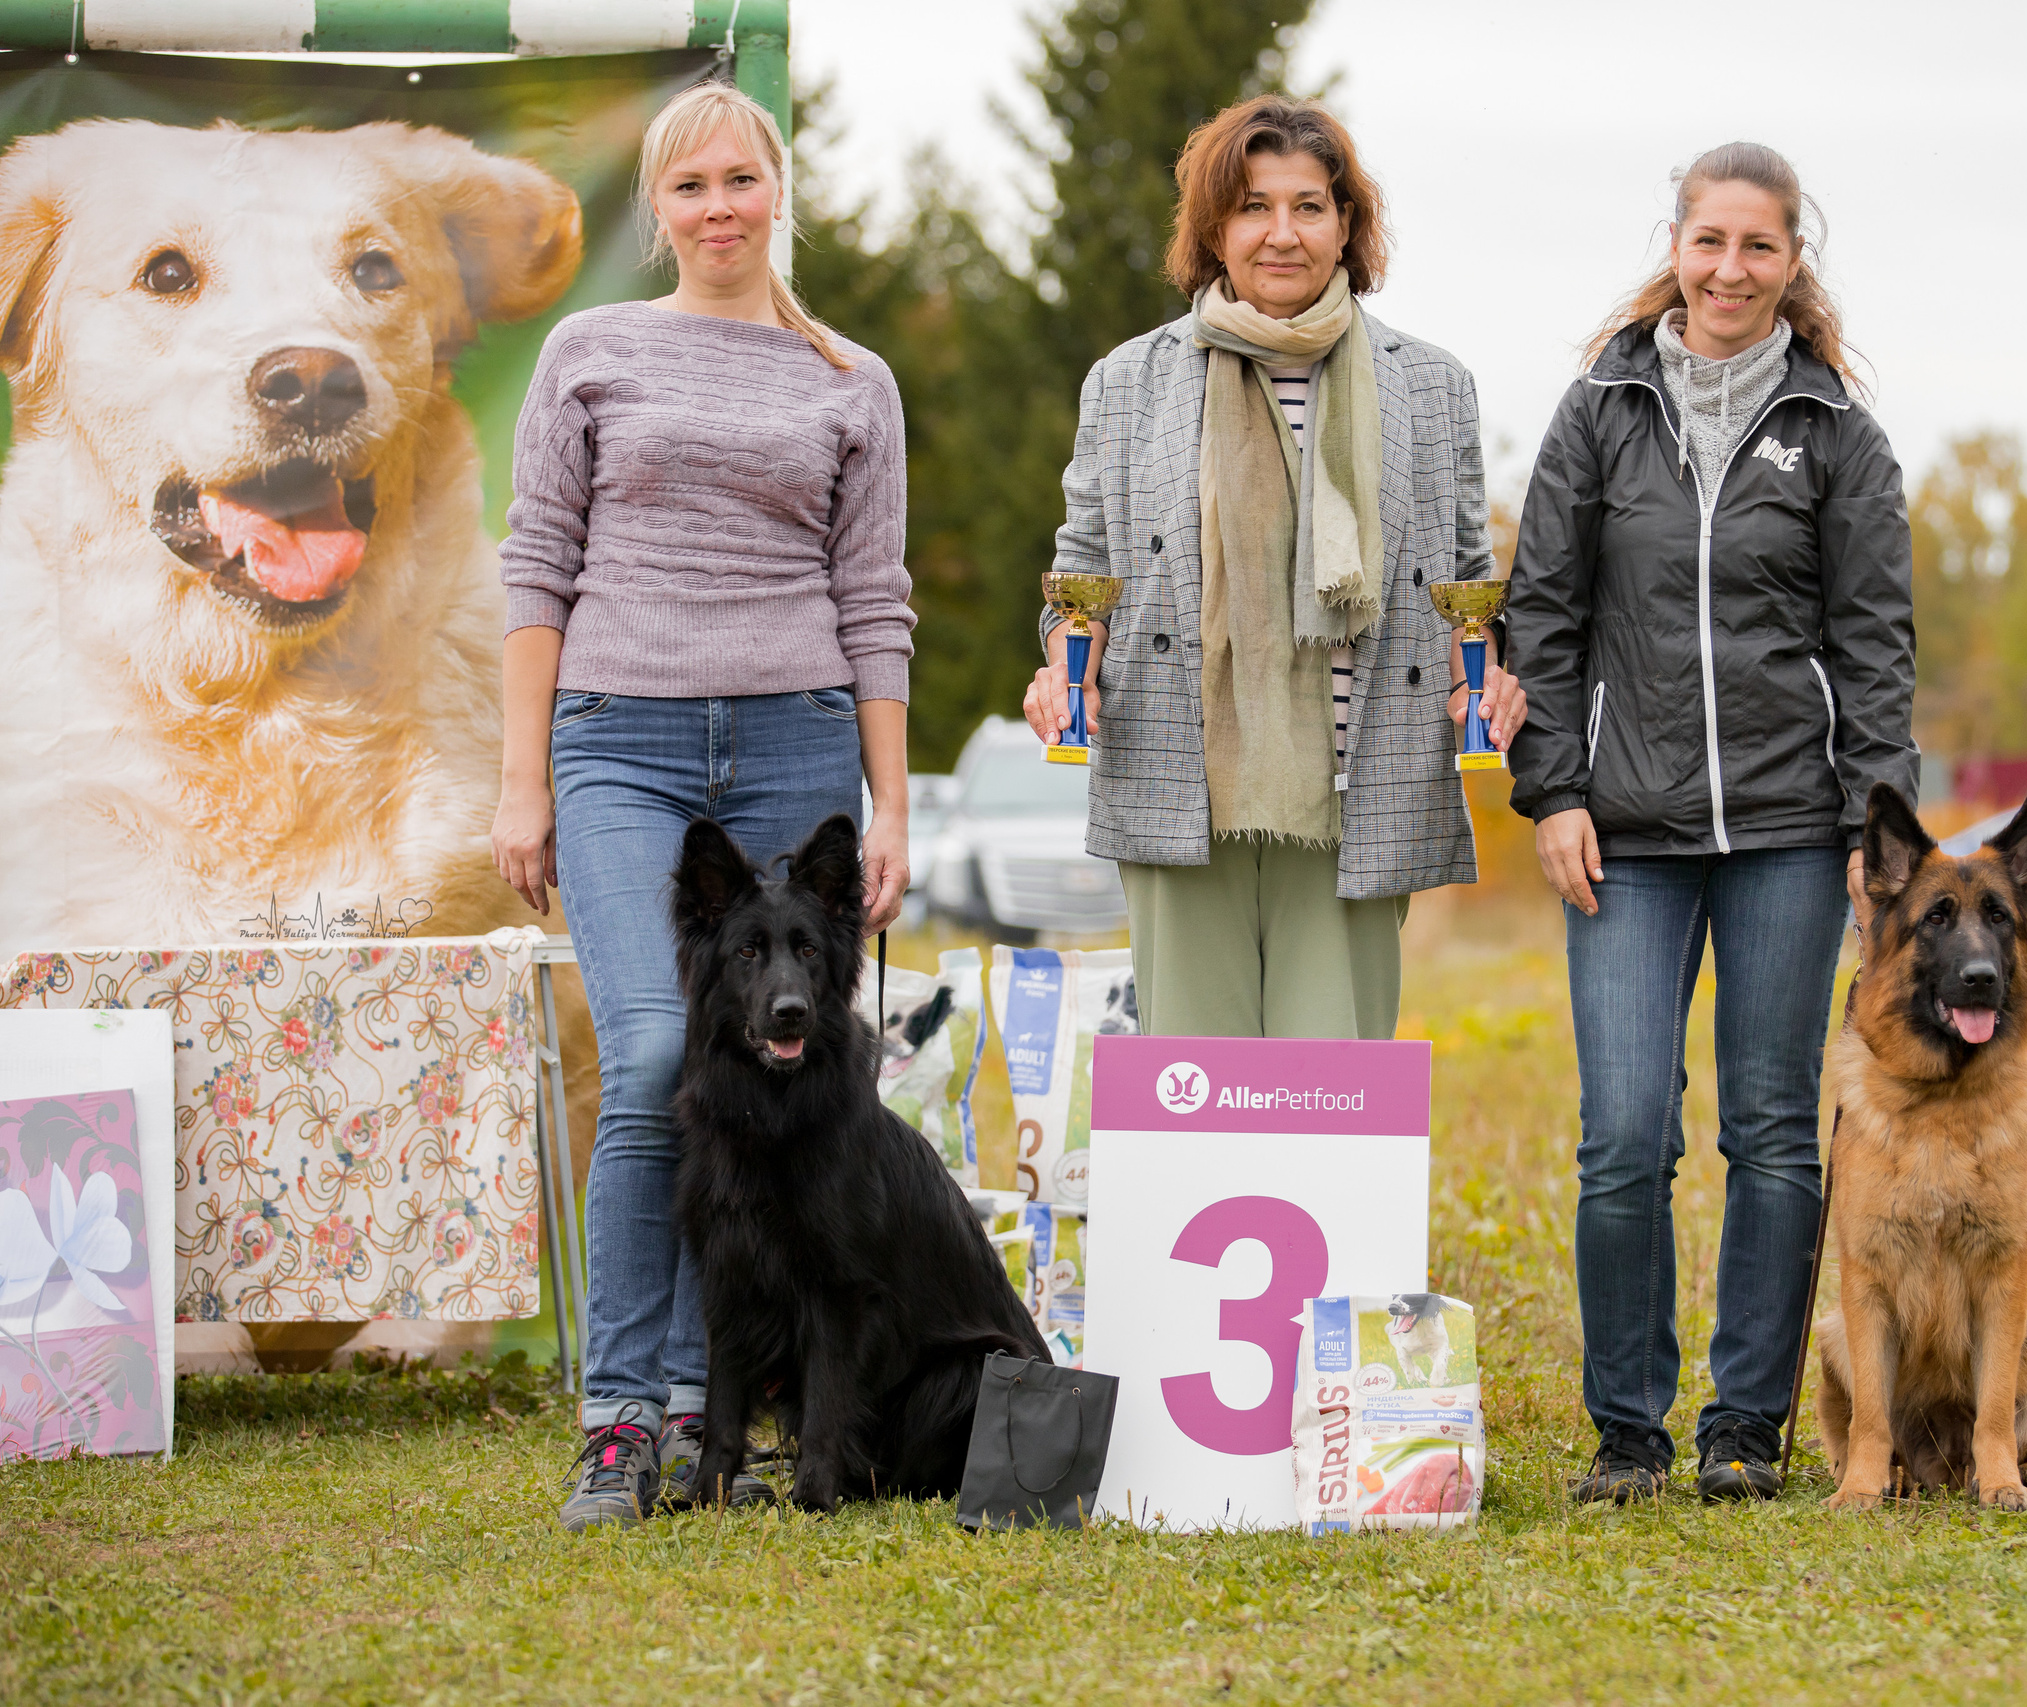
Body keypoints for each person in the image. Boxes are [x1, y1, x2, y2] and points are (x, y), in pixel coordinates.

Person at [488, 80, 916, 1533]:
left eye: (742, 179)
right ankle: (621, 1418)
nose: (720, 206)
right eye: (690, 186)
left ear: (777, 191)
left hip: (799, 748)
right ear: (656, 208)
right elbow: (537, 561)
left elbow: (875, 600)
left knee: (789, 1082)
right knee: (667, 1047)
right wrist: (522, 773)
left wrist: (896, 803)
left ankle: (706, 1407)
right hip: (624, 745)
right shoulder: (590, 348)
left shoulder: (851, 375)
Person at [1505, 142, 1917, 1504]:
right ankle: (1626, 1431)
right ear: (1673, 248)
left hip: (1795, 833)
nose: (1731, 269)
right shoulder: (1599, 410)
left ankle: (1747, 1427)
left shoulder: (1836, 433)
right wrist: (1555, 787)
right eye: (1709, 242)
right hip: (1623, 830)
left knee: (1773, 1130)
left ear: (1794, 259)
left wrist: (1883, 832)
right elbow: (1544, 618)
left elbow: (1874, 646)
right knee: (1624, 1133)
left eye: (1759, 246)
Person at [1022, 95, 1524, 1039]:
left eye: (1310, 206)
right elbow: (1078, 576)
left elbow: (1467, 584)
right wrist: (1061, 667)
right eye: (1254, 206)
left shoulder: (1432, 384)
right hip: (1181, 789)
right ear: (1215, 227)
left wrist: (1486, 678)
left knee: (1333, 1116)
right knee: (1194, 1112)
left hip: (1362, 789)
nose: (1282, 233)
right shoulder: (1127, 382)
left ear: (1347, 227)